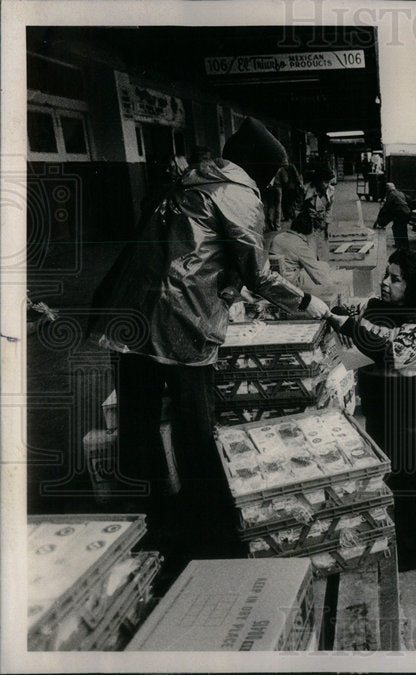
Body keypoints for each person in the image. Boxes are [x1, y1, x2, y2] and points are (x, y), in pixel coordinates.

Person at [89, 118, 330, 583]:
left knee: (138, 424)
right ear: (261, 166)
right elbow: (257, 274)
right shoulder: (240, 195)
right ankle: (205, 533)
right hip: (181, 323)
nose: (276, 180)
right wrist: (311, 303)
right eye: (276, 171)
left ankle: (149, 527)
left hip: (131, 313)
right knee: (194, 429)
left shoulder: (191, 179)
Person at [325, 248, 416, 571]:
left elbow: (391, 353)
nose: (386, 283)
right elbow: (358, 318)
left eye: (396, 279)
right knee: (392, 486)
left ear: (414, 286)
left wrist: (350, 326)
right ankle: (394, 546)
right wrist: (338, 315)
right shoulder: (378, 308)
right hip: (388, 419)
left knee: (414, 490)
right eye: (386, 276)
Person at [269, 209, 340, 304]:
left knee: (319, 267)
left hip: (276, 279)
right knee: (324, 267)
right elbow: (318, 275)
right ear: (310, 231)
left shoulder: (278, 237)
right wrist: (336, 288)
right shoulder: (300, 245)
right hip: (289, 285)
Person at [303, 164, 336, 243]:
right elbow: (298, 211)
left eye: (329, 182)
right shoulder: (305, 190)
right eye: (325, 182)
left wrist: (327, 226)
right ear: (318, 180)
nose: (327, 185)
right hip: (306, 224)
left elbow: (329, 208)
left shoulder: (331, 190)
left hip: (321, 224)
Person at [374, 182, 412, 250]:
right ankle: (405, 244)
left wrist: (381, 214)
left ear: (388, 189)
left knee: (396, 228)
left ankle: (399, 244)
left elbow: (387, 207)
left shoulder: (391, 194)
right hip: (407, 212)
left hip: (400, 213)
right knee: (403, 229)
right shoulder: (399, 192)